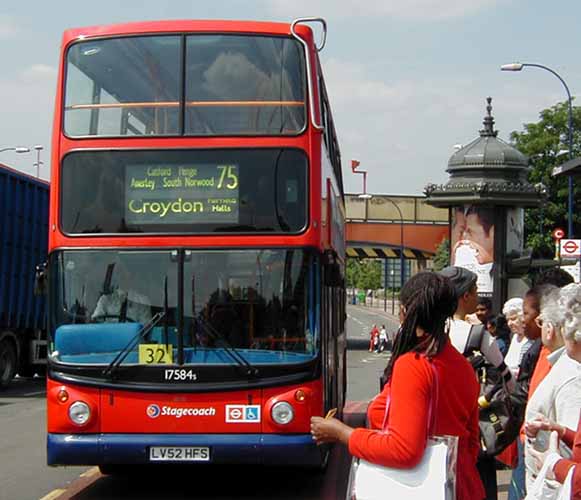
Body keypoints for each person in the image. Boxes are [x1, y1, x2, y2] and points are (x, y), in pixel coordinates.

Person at [310, 272, 485, 500]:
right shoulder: (462, 366)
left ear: (406, 312)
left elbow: (404, 450)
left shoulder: (413, 366)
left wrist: (342, 433)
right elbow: (471, 444)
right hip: (462, 485)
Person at [438, 266, 514, 500]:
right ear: (465, 296)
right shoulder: (478, 334)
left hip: (436, 421)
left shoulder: (427, 330)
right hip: (471, 423)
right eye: (475, 290)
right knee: (478, 480)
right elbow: (506, 377)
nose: (478, 295)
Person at [522, 284, 581, 496]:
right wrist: (560, 430)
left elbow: (576, 458)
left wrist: (553, 463)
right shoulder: (565, 367)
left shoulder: (573, 374)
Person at [91, 258, 152, 325]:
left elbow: (145, 327)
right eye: (118, 272)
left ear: (131, 274)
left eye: (123, 271)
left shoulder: (142, 301)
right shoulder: (105, 299)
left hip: (133, 335)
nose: (120, 275)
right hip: (109, 334)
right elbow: (96, 321)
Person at [503, 298, 530, 377]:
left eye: (513, 319)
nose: (509, 323)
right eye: (508, 320)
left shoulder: (530, 340)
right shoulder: (515, 337)